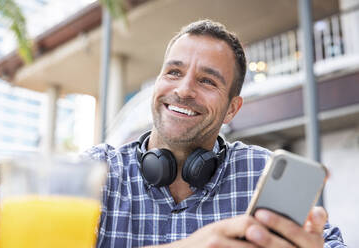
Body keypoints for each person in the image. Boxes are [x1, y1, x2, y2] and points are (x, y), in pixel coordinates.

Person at [85, 20, 346, 248]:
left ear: (232, 109)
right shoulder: (96, 171)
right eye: (174, 72)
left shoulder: (261, 172)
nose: (184, 90)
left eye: (207, 81)